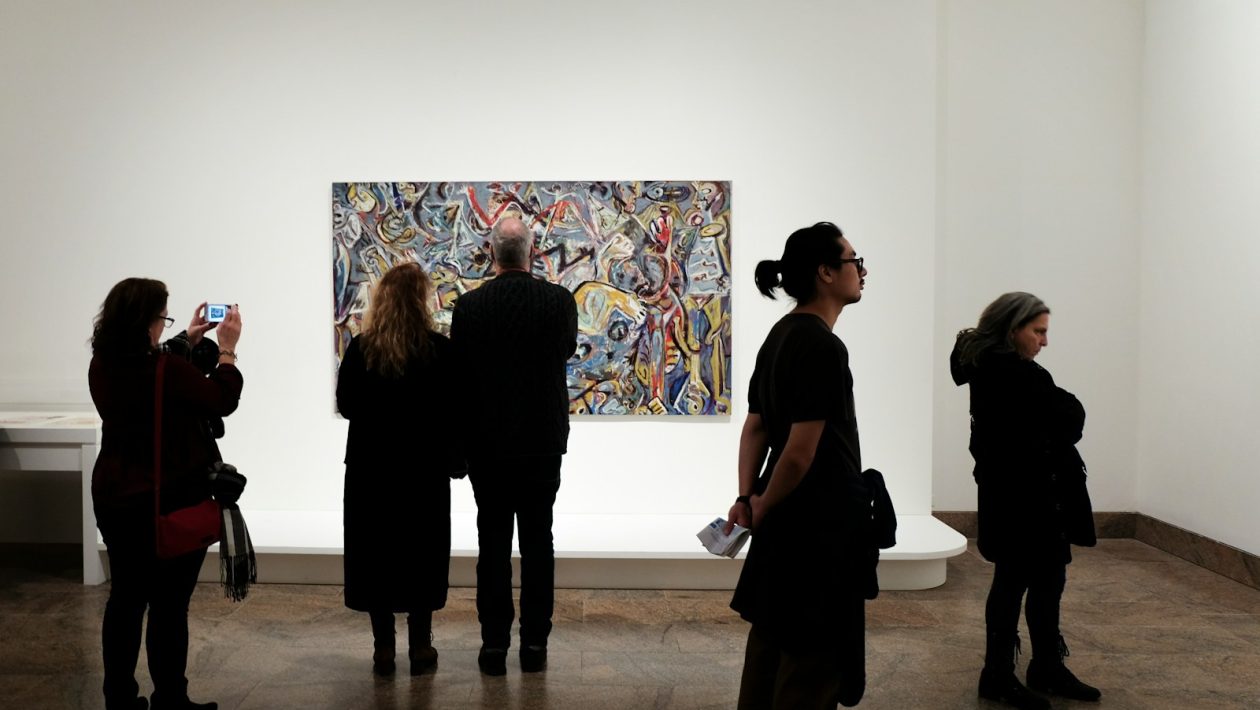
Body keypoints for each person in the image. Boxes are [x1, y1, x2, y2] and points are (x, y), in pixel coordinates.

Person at [727, 221, 871, 709]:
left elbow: (756, 428)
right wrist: (762, 502)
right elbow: (801, 450)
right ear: (826, 272)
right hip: (818, 526)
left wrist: (750, 498)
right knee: (812, 663)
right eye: (854, 260)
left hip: (785, 518)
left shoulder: (781, 335)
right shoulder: (822, 346)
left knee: (770, 646)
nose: (862, 270)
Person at [89, 279, 243, 710]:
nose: (164, 325)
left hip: (116, 498)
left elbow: (152, 370)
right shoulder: (168, 371)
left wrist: (185, 339)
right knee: (169, 606)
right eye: (163, 318)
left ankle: (119, 698)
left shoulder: (102, 364)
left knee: (125, 600)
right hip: (166, 501)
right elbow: (220, 397)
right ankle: (171, 699)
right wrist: (227, 351)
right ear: (146, 321)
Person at [950, 292, 1100, 709]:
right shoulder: (1014, 376)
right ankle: (1000, 674)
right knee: (1017, 583)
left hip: (1026, 496)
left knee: (1042, 581)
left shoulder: (997, 371)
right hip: (1025, 499)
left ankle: (1042, 667)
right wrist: (1063, 408)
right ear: (1012, 329)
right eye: (1039, 331)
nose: (1044, 342)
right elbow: (1071, 418)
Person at [449, 215, 578, 676]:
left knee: (493, 545)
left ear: (492, 252)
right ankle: (535, 644)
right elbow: (564, 350)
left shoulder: (469, 308)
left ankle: (493, 645)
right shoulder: (559, 301)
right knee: (539, 542)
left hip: (488, 445)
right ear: (531, 251)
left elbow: (461, 377)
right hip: (542, 442)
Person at [336, 262, 463, 676]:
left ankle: (383, 648)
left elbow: (348, 405)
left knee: (376, 554)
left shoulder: (360, 348)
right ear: (420, 302)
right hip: (422, 470)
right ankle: (421, 646)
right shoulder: (438, 349)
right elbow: (453, 410)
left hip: (371, 471)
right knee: (420, 553)